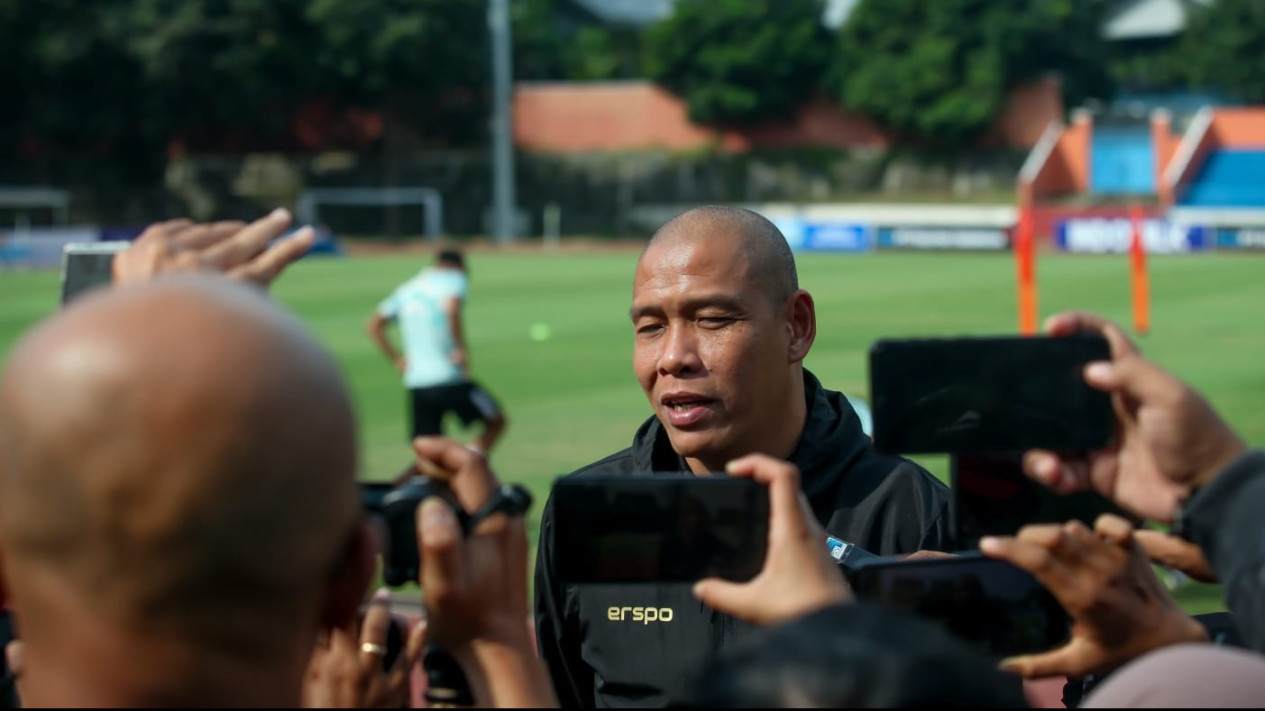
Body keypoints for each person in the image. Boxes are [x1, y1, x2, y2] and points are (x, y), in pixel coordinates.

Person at [534, 206, 953, 707]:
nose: (672, 357)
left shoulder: (917, 513)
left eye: (712, 320)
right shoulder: (591, 514)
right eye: (649, 327)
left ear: (796, 326)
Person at [367, 249, 507, 457]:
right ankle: (469, 463)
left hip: (417, 381)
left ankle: (408, 485)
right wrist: (460, 349)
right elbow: (451, 308)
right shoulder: (454, 278)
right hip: (449, 376)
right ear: (458, 267)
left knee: (427, 448)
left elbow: (374, 326)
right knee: (496, 420)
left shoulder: (409, 288)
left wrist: (398, 360)